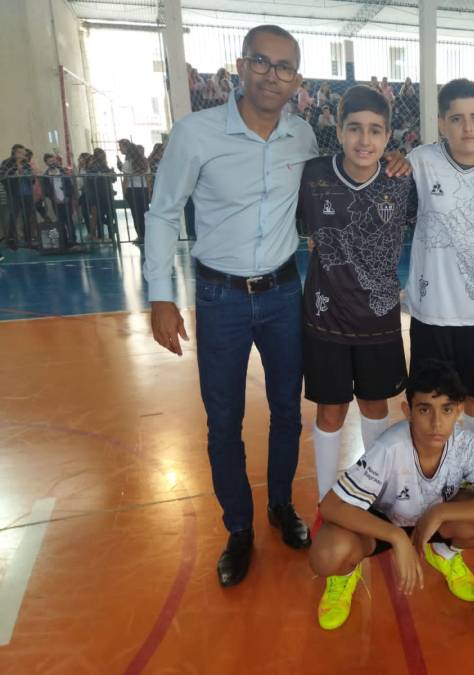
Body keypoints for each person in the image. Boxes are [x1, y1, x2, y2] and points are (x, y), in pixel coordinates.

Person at [144, 25, 322, 588]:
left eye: (285, 67)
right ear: (240, 67)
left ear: (297, 79)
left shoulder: (303, 137)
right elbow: (163, 212)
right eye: (261, 62)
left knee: (288, 411)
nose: (272, 75)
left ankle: (280, 505)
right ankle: (239, 528)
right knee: (224, 420)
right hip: (219, 296)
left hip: (283, 293)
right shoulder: (195, 134)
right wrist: (160, 295)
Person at [309, 359, 474, 630]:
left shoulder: (465, 444)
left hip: (435, 519)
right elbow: (330, 506)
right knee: (327, 555)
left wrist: (440, 511)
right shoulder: (390, 447)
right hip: (384, 520)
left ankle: (444, 553)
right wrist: (396, 537)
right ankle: (345, 574)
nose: (436, 422)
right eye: (424, 409)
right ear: (407, 411)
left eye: (446, 409)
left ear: (459, 411)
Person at [298, 85, 417, 508]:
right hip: (325, 319)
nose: (364, 140)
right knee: (330, 411)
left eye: (375, 130)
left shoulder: (403, 179)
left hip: (378, 321)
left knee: (374, 406)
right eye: (354, 128)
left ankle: (375, 495)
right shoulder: (312, 175)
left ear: (388, 136)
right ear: (338, 131)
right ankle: (326, 501)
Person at [405, 78, 474, 445]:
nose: (467, 127)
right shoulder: (420, 162)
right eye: (456, 118)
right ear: (441, 123)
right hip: (431, 311)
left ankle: (473, 466)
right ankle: (432, 466)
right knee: (431, 400)